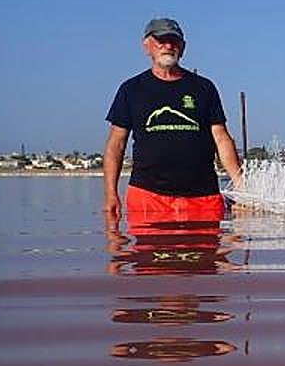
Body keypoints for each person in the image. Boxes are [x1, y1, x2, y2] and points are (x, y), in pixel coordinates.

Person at [103, 17, 242, 227]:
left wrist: (241, 186)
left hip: (203, 198)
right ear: (147, 45)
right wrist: (110, 193)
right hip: (147, 197)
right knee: (147, 259)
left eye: (174, 41)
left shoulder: (204, 88)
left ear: (183, 47)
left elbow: (221, 138)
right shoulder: (130, 89)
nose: (168, 46)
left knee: (208, 258)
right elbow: (116, 144)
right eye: (161, 40)